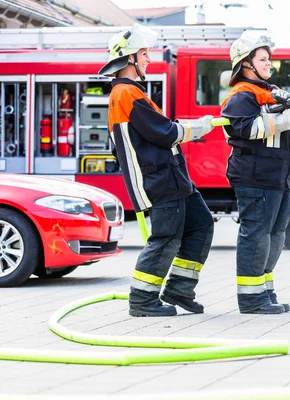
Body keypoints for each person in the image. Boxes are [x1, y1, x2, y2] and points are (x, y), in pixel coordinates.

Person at [99, 24, 216, 317]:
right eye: (144, 53)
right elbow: (165, 133)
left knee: (201, 225)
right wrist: (201, 125)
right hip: (160, 180)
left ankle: (179, 289)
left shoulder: (130, 93)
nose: (148, 59)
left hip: (174, 178)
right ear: (129, 59)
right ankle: (142, 299)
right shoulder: (126, 93)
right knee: (165, 238)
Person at [220, 30, 290, 314]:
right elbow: (244, 128)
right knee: (256, 234)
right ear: (246, 63)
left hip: (279, 177)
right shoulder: (240, 96)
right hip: (256, 177)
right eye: (263, 58)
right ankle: (251, 299)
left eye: (269, 58)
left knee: (275, 235)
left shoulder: (270, 91)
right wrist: (285, 119)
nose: (269, 63)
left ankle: (264, 292)